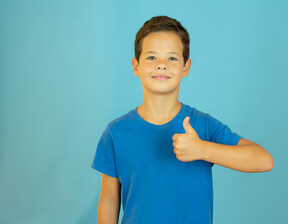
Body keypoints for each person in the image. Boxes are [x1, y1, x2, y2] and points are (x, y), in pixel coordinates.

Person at [91, 16, 273, 224]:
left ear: (186, 67)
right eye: (151, 57)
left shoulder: (203, 126)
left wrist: (203, 149)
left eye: (172, 58)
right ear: (136, 66)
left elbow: (263, 160)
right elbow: (108, 201)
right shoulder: (116, 133)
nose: (161, 65)